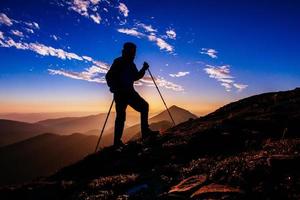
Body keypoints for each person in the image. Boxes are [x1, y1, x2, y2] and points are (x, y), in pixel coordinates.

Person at [105, 42, 159, 147]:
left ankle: (117, 142)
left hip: (124, 93)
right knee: (142, 107)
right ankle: (144, 133)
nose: (134, 55)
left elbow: (135, 77)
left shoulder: (128, 63)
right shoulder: (120, 62)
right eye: (133, 52)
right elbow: (109, 77)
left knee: (122, 116)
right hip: (125, 93)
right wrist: (114, 87)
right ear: (127, 52)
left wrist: (143, 69)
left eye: (134, 52)